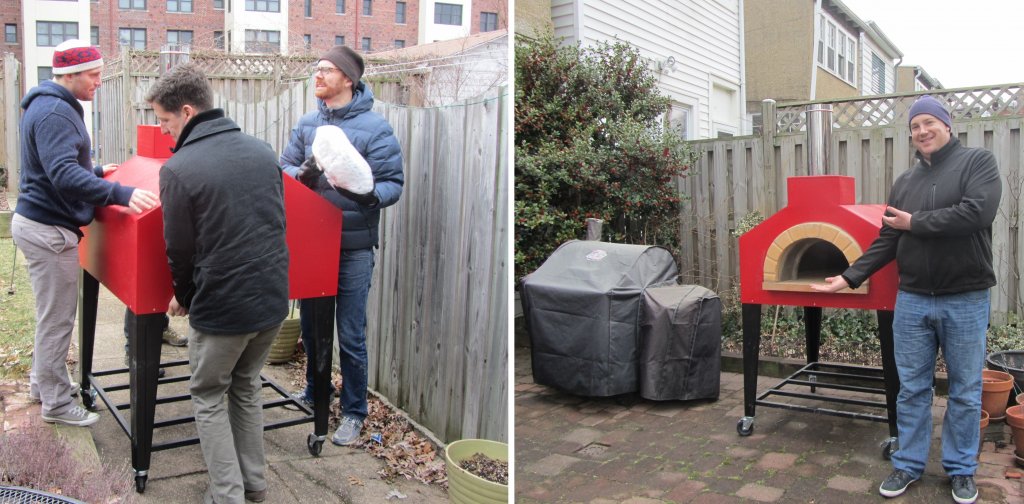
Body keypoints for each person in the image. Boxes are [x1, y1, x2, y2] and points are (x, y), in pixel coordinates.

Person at [811, 95, 1001, 504]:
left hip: (965, 298)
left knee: (965, 391)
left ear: (947, 125)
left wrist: (915, 222)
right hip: (913, 300)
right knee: (912, 389)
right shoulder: (905, 182)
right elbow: (889, 239)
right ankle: (908, 464)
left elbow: (975, 214)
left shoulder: (977, 163)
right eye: (915, 126)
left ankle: (961, 470)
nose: (922, 131)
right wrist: (849, 276)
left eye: (929, 122)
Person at [147, 63, 288, 504]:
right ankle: (255, 485)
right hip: (270, 300)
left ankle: (226, 495)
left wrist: (186, 299)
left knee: (208, 394)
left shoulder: (179, 169)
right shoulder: (262, 150)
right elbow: (273, 224)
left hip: (224, 308)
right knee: (246, 385)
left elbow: (180, 252)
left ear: (187, 111)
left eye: (166, 121)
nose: (165, 132)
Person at [12, 39, 158, 427]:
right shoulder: (56, 112)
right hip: (48, 229)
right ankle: (57, 405)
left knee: (51, 316)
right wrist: (121, 192)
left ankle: (42, 386)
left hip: (40, 223)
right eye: (94, 75)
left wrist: (94, 171)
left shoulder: (46, 106)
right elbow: (62, 175)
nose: (99, 82)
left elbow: (52, 168)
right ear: (70, 74)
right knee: (57, 320)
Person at [279, 45, 404, 446]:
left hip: (352, 247)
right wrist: (300, 173)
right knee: (315, 330)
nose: (318, 76)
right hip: (312, 242)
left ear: (347, 79)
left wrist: (369, 196)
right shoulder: (307, 124)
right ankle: (316, 393)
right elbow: (283, 166)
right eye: (316, 69)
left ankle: (353, 411)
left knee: (350, 333)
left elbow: (392, 184)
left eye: (326, 71)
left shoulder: (376, 129)